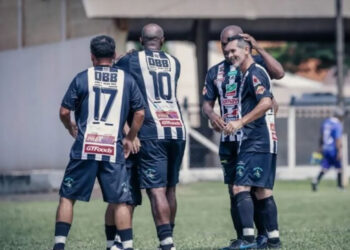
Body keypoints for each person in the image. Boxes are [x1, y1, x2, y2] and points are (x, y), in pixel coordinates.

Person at [52, 35, 145, 250]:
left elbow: (64, 111)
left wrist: (70, 127)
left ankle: (59, 246)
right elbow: (139, 113)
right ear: (114, 56)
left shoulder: (82, 78)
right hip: (112, 147)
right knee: (120, 200)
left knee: (67, 196)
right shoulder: (126, 79)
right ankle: (127, 246)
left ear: (92, 57)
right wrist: (130, 138)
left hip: (85, 146)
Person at [202, 25, 284, 250]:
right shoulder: (216, 71)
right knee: (241, 189)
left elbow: (277, 78)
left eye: (231, 45)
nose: (227, 50)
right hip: (231, 138)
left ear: (245, 45)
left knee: (247, 188)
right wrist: (214, 116)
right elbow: (207, 104)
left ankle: (255, 238)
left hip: (253, 135)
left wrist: (258, 47)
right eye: (223, 45)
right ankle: (256, 238)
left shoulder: (253, 66)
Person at [105, 23, 186, 250]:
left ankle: (166, 243)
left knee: (156, 189)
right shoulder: (174, 63)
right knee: (170, 188)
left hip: (151, 131)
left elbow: (113, 72)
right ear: (162, 40)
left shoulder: (131, 61)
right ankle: (168, 238)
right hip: (177, 129)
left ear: (141, 40)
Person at [222, 35, 281, 249]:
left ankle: (247, 240)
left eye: (233, 51)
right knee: (262, 190)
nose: (230, 55)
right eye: (227, 52)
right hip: (263, 140)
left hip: (257, 140)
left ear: (246, 49)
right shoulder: (246, 74)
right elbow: (274, 104)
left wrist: (240, 122)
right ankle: (273, 239)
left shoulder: (255, 72)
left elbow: (266, 103)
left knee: (240, 187)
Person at [312, 108, 345, 191]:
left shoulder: (326, 123)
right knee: (339, 167)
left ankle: (315, 180)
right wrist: (340, 151)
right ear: (339, 116)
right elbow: (337, 139)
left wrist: (320, 147)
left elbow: (322, 136)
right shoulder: (337, 124)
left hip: (325, 148)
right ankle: (340, 186)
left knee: (325, 166)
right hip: (333, 149)